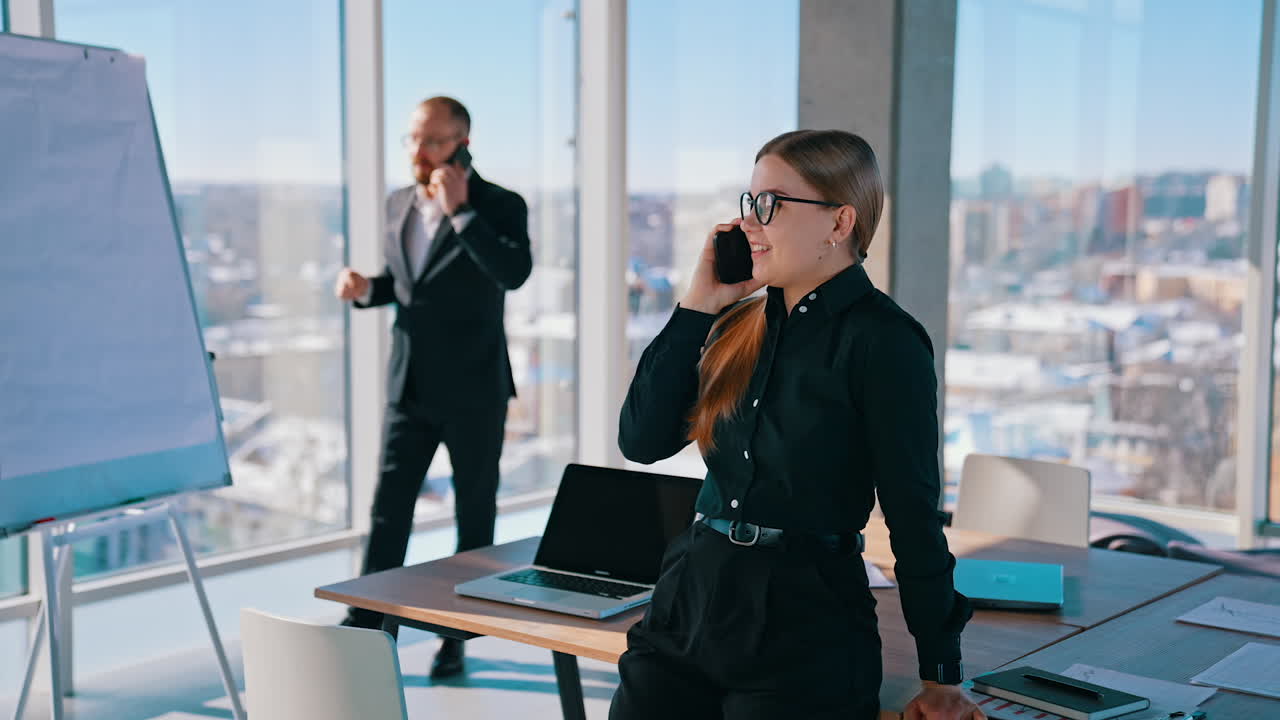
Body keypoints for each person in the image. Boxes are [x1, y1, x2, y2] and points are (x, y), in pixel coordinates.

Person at [610, 129, 985, 720]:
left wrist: (941, 671)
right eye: (749, 201)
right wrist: (696, 306)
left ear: (840, 223)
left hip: (803, 627)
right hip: (688, 607)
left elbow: (913, 514)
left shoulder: (885, 342)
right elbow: (642, 441)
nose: (749, 223)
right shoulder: (734, 327)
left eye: (771, 204)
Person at [334, 96, 532, 678]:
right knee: (388, 510)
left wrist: (462, 212)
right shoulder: (398, 202)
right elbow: (406, 283)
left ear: (463, 142)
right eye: (413, 140)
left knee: (473, 517)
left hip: (475, 390)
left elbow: (513, 273)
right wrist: (366, 289)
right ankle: (367, 625)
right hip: (410, 385)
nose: (419, 153)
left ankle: (456, 635)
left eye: (433, 142)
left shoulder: (499, 204)